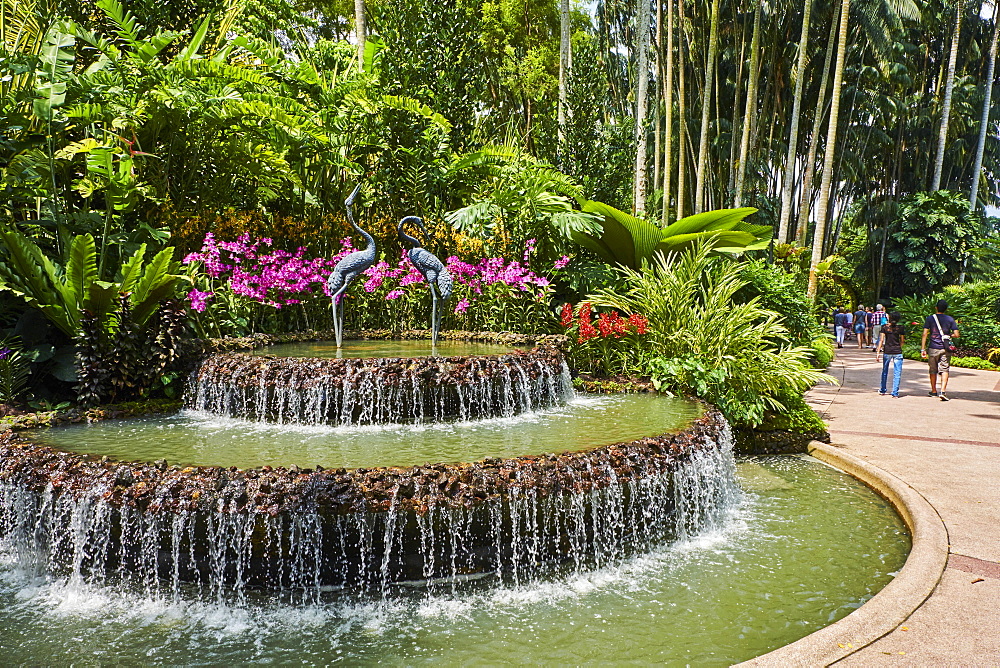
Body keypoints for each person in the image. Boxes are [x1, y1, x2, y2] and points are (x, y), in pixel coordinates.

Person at [921, 299, 960, 401]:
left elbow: (925, 333)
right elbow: (956, 334)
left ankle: (934, 391)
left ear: (936, 308)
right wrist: (947, 335)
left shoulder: (930, 318)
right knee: (945, 369)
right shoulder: (950, 319)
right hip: (945, 348)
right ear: (946, 309)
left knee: (933, 370)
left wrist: (922, 349)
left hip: (933, 347)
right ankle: (943, 391)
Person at [876, 311, 905, 397]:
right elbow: (902, 341)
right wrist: (899, 346)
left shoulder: (884, 327)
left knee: (885, 371)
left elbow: (881, 340)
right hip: (897, 351)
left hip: (887, 351)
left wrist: (878, 352)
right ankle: (895, 392)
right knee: (897, 373)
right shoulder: (901, 328)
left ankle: (883, 389)